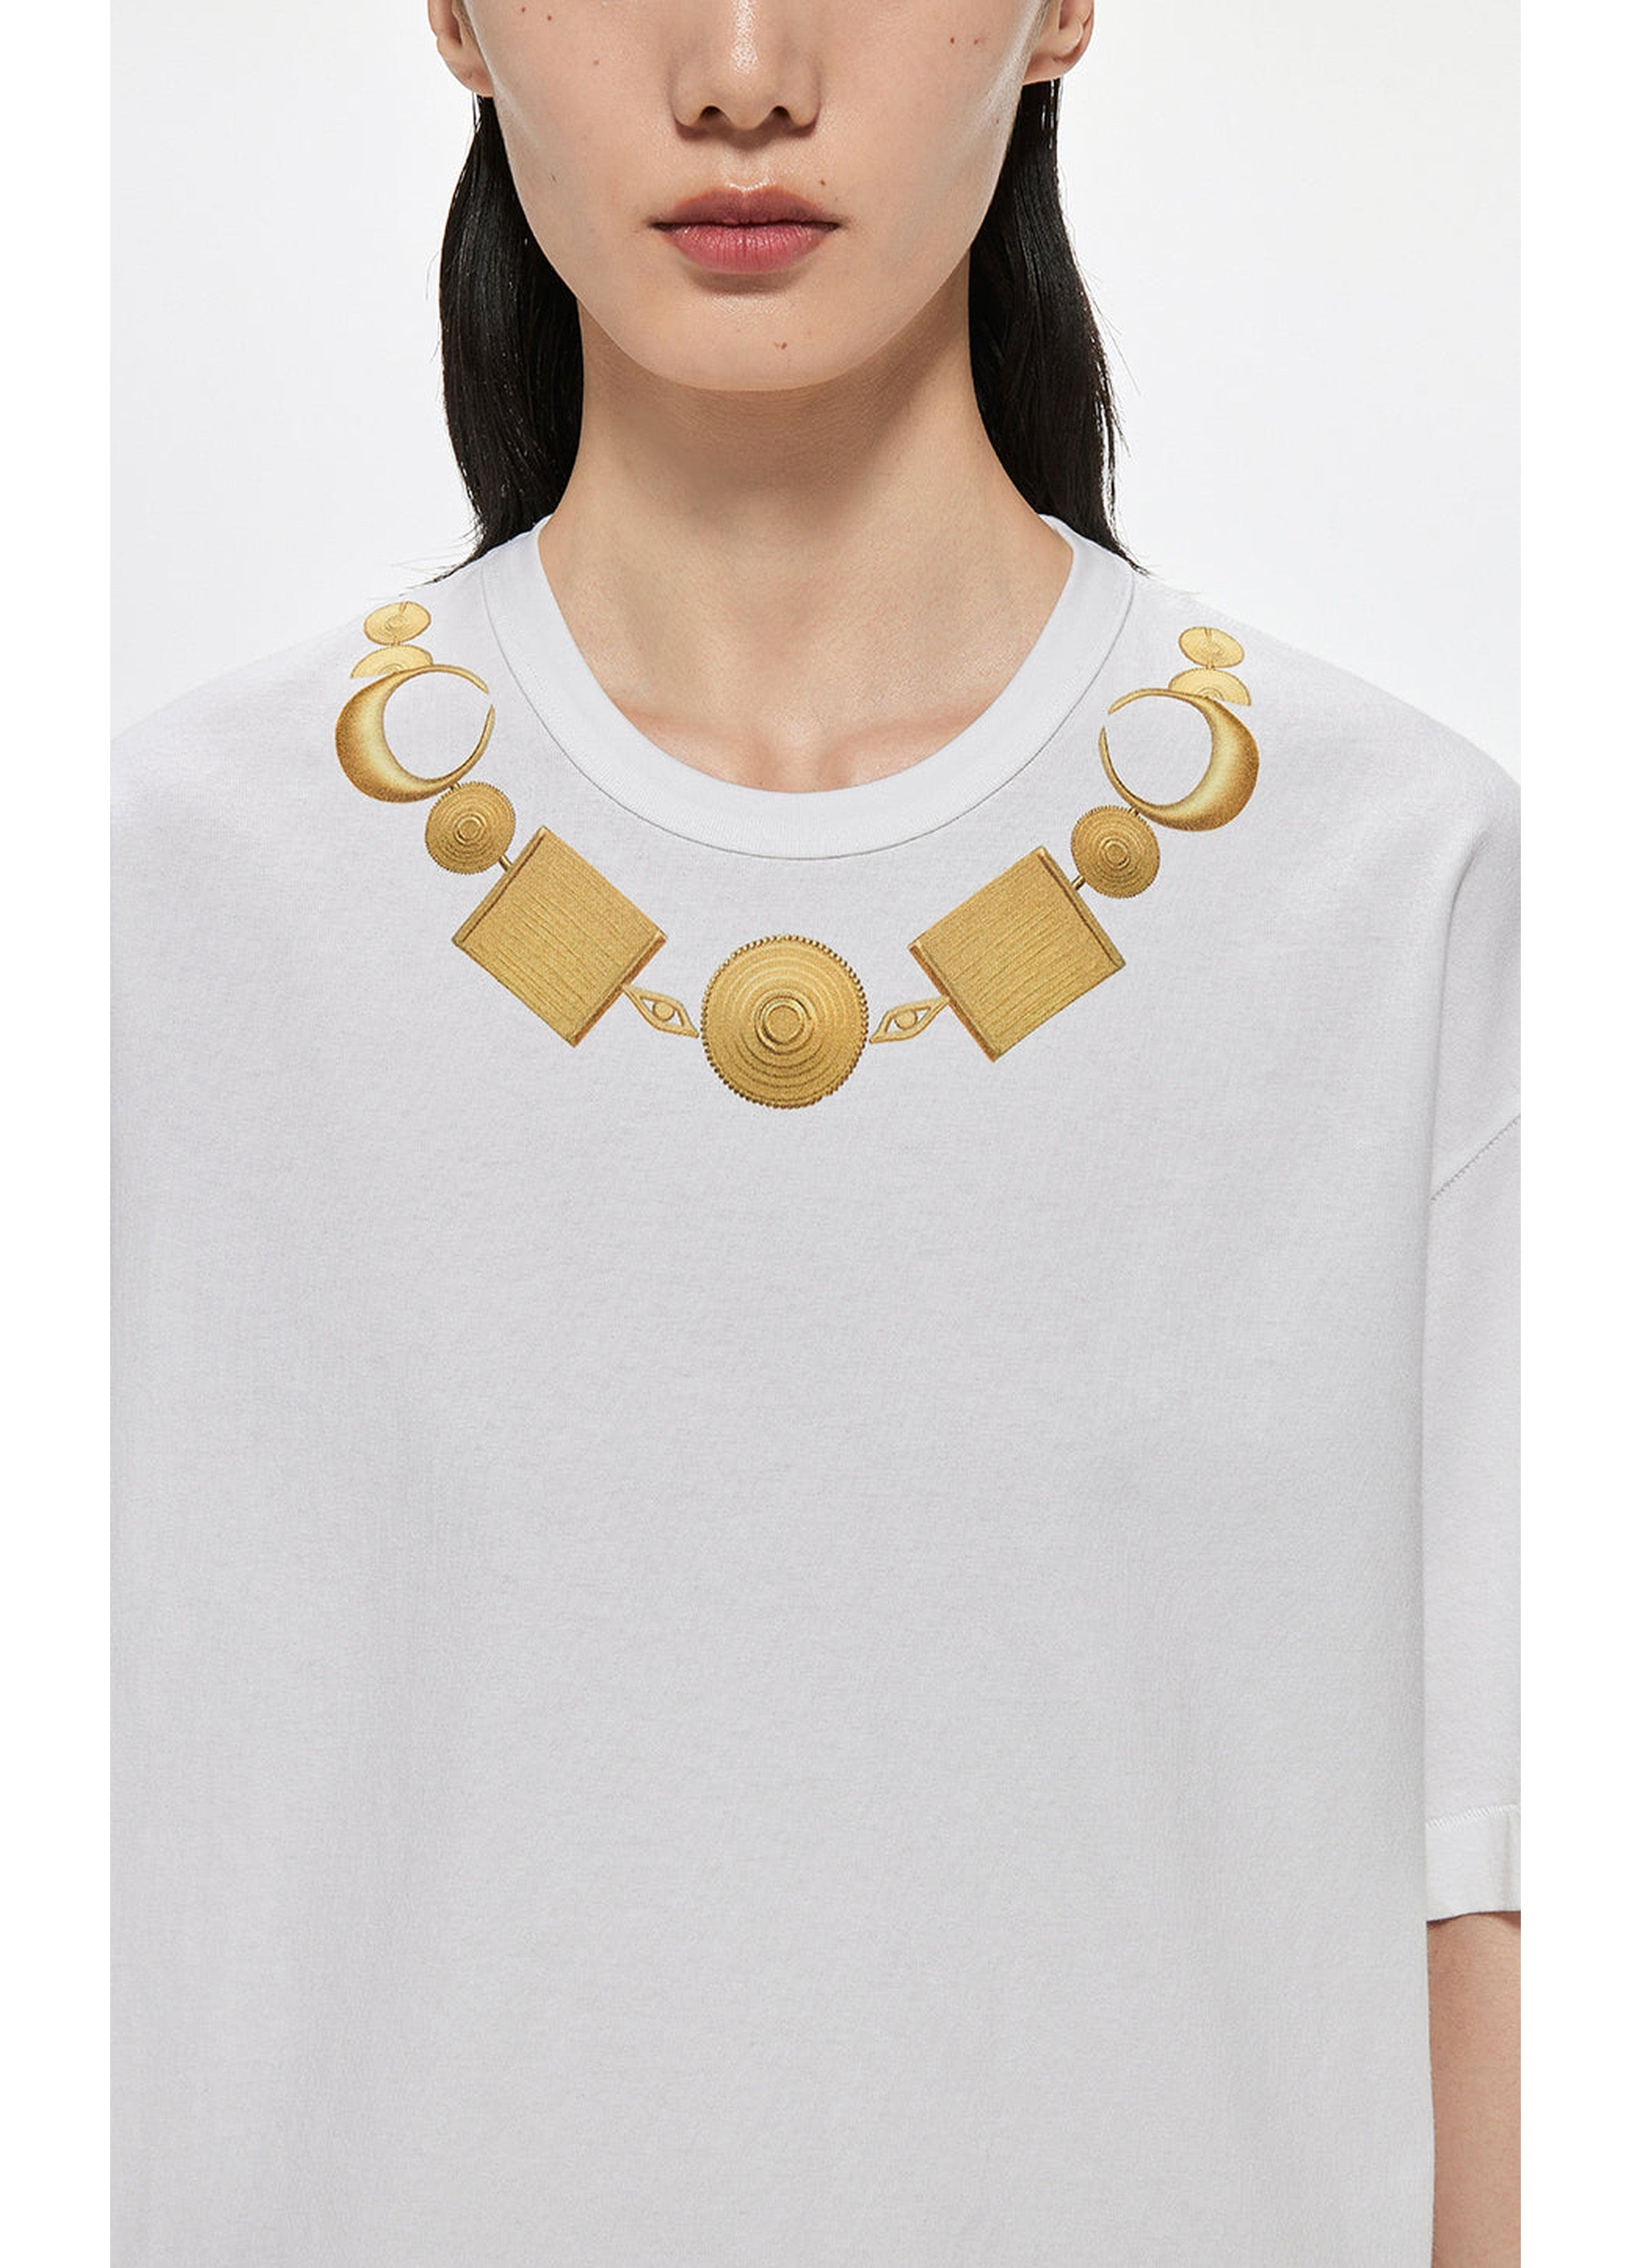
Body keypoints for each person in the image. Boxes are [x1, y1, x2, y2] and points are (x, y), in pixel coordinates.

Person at [111, 4, 1519, 2261]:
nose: (744, 69)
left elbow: (1494, 1911)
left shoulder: (1395, 889)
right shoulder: (157, 903)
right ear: (453, 14)